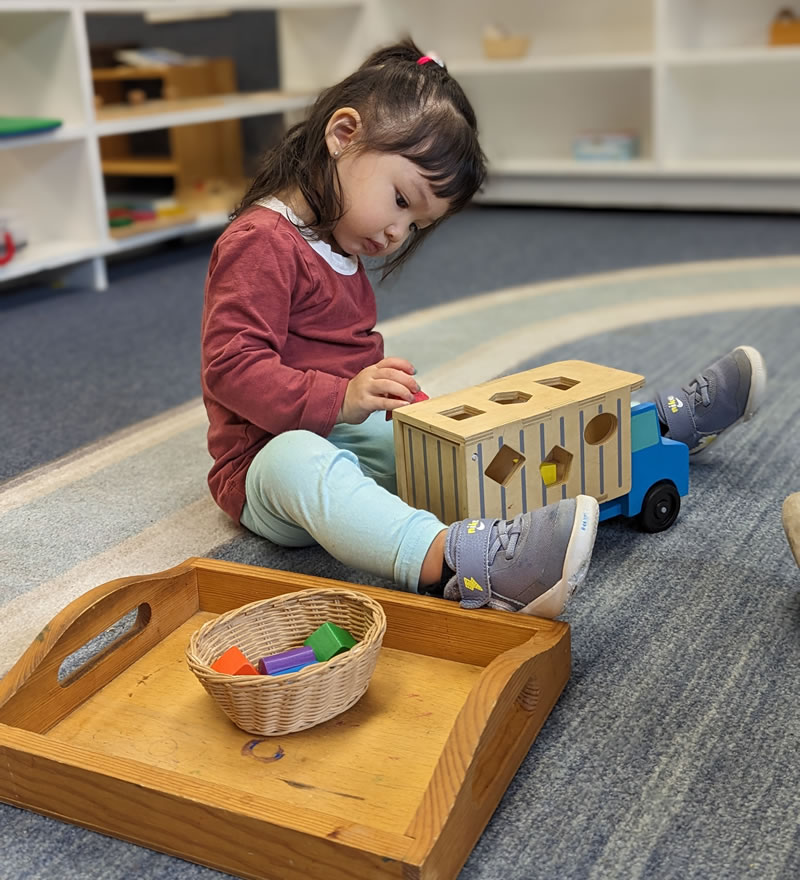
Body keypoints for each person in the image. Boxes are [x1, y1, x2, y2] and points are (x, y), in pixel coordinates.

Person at [200, 39, 767, 618]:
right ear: (343, 135)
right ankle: (460, 562)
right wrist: (342, 396)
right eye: (400, 200)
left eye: (415, 224)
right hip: (263, 464)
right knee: (300, 459)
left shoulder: (336, 242)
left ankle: (645, 431)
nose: (397, 232)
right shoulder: (260, 242)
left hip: (342, 431)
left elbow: (349, 353)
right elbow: (232, 371)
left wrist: (396, 399)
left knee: (459, 443)